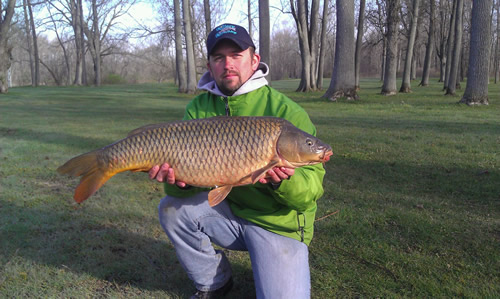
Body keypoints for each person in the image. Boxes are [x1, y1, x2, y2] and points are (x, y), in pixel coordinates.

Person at [149, 23, 326, 299]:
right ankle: (215, 281)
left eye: (236, 55)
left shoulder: (287, 113)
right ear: (210, 65)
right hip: (228, 214)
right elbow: (185, 185)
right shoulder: (198, 109)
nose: (227, 64)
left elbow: (309, 194)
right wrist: (179, 183)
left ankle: (270, 261)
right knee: (172, 208)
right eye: (219, 58)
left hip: (277, 224)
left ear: (254, 60)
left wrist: (283, 183)